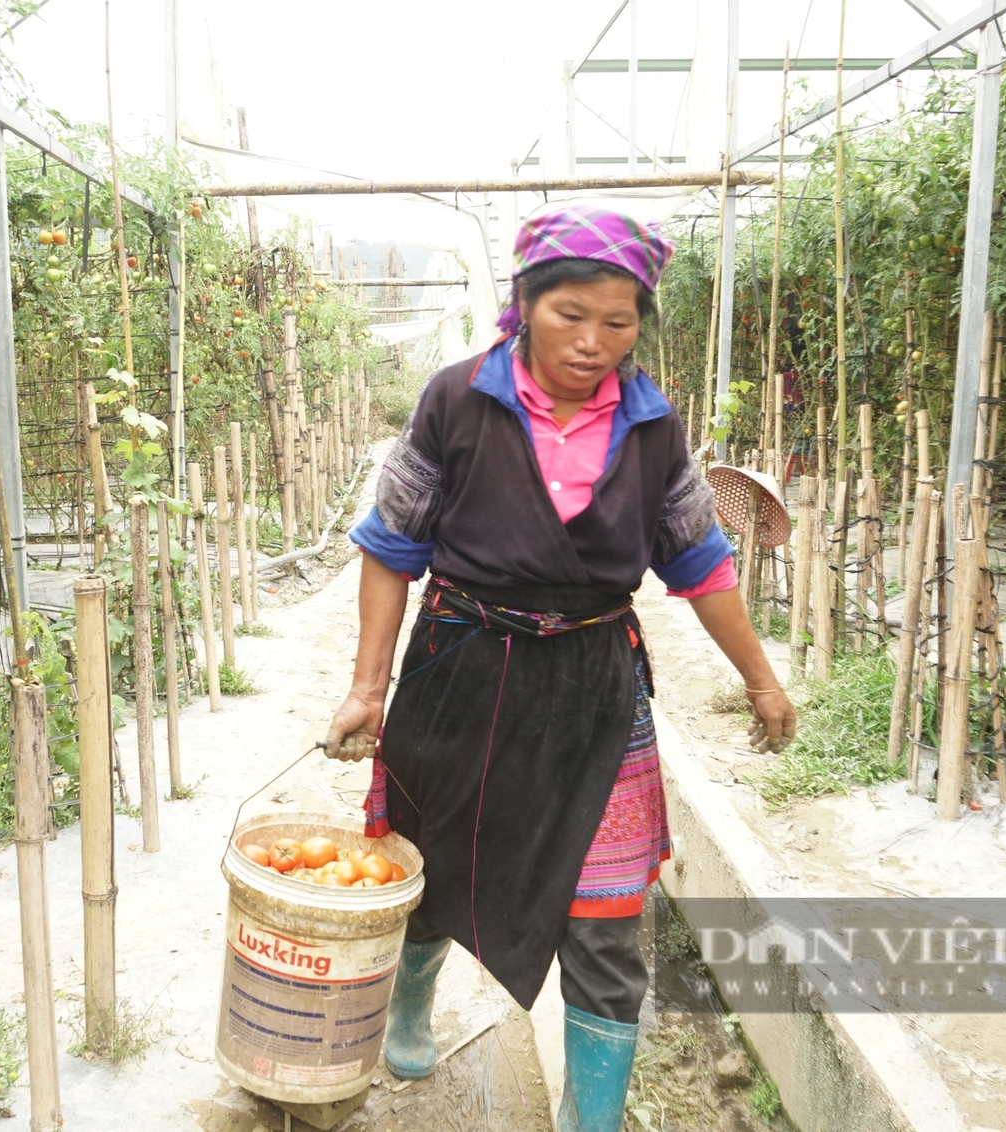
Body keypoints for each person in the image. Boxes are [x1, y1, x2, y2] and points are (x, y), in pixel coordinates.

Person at [323, 206, 798, 1131]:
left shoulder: (653, 425)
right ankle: (413, 997)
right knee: (433, 863)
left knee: (609, 910)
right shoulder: (456, 400)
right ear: (524, 305)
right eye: (569, 314)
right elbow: (390, 546)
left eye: (617, 322)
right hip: (461, 669)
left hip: (591, 685)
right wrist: (367, 688)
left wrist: (763, 678)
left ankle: (594, 1115)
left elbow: (699, 561)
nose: (592, 342)